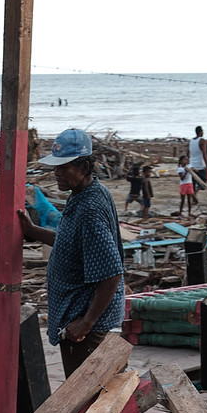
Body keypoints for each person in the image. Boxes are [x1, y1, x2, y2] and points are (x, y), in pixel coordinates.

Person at [18, 128, 125, 376]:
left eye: (64, 167)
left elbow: (112, 274)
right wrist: (32, 230)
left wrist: (86, 323)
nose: (57, 173)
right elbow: (71, 244)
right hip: (81, 318)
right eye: (55, 167)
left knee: (88, 403)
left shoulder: (89, 209)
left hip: (87, 328)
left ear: (85, 167)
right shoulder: (84, 193)